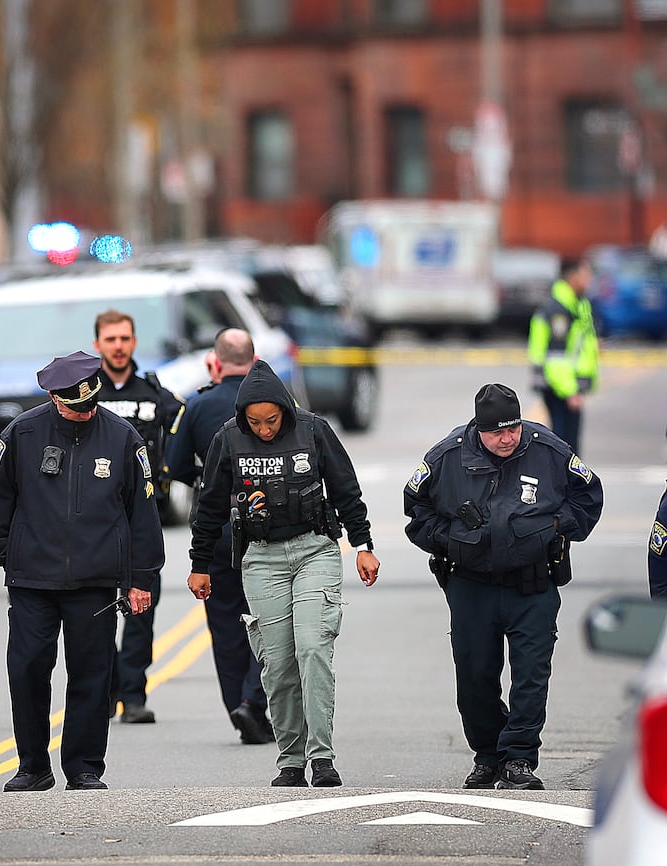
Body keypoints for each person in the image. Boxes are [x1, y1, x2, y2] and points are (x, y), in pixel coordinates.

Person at [0, 350, 165, 792]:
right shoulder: (21, 433)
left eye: (89, 405)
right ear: (54, 398)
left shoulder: (122, 437)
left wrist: (140, 578)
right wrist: (15, 555)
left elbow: (143, 514)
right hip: (31, 583)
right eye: (73, 407)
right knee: (26, 672)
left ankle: (84, 767)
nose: (83, 414)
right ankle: (33, 765)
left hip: (95, 583)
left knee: (92, 676)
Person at [187, 359, 378, 789]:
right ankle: (290, 760)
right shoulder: (228, 439)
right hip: (262, 559)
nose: (264, 429)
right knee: (277, 664)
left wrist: (364, 546)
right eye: (254, 422)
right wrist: (200, 564)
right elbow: (210, 506)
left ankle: (322, 757)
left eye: (271, 420)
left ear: (284, 411)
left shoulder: (312, 430)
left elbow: (346, 489)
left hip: (315, 550)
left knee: (312, 649)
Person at [405, 383, 603, 790]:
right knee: (475, 677)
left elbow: (589, 498)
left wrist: (552, 528)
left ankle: (519, 760)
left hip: (532, 584)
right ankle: (489, 755)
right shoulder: (447, 456)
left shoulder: (548, 449)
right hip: (471, 585)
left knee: (531, 675)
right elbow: (415, 510)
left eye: (512, 429)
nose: (507, 438)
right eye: (497, 432)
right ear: (479, 428)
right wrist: (450, 538)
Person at [168, 329, 272, 745]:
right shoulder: (274, 405)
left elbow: (173, 466)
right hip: (264, 526)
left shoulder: (196, 404)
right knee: (268, 622)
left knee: (225, 626)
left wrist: (209, 481)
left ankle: (237, 708)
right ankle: (254, 702)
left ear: (215, 360)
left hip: (215, 529)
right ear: (255, 359)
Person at [92, 309, 184, 724]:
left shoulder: (153, 393)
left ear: (133, 342)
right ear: (98, 344)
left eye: (125, 338)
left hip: (143, 519)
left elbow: (186, 430)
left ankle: (134, 694)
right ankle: (108, 688)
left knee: (141, 611)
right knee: (94, 612)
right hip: (94, 522)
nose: (118, 345)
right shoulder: (84, 391)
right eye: (110, 339)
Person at [528, 256, 599, 453]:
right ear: (572, 277)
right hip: (561, 387)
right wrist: (570, 391)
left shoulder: (576, 303)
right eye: (585, 274)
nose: (589, 279)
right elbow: (556, 358)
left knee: (569, 445)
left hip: (568, 385)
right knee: (563, 446)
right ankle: (564, 484)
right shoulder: (558, 310)